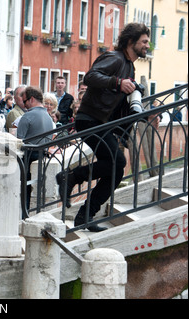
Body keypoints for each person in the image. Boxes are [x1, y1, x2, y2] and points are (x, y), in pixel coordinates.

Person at [55, 23, 151, 232]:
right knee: (118, 161)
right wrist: (117, 83)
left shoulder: (130, 66)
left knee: (116, 169)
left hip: (101, 122)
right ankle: (71, 177)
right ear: (130, 42)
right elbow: (90, 77)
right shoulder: (114, 58)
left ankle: (85, 216)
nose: (147, 45)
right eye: (144, 41)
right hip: (89, 119)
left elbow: (122, 101)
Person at [17, 86, 54, 209]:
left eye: (25, 101)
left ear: (31, 99)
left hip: (28, 157)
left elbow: (19, 141)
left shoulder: (27, 116)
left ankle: (24, 213)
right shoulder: (49, 117)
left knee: (24, 188)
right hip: (42, 155)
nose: (24, 105)